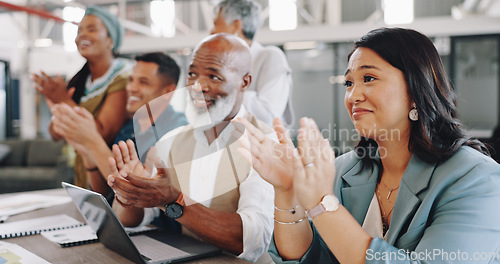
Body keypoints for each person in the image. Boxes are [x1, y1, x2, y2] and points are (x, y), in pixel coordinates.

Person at [235, 27, 500, 264]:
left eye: (369, 78)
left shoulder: (476, 179)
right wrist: (287, 190)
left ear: (416, 90)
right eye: (349, 83)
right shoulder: (344, 170)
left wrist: (321, 203)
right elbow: (310, 257)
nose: (352, 96)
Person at [106, 33, 275, 263]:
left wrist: (174, 201)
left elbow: (251, 240)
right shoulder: (173, 140)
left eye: (214, 76)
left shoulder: (265, 142)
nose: (198, 86)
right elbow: (134, 218)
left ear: (245, 81)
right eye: (192, 74)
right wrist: (131, 193)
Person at [51, 52, 187, 198]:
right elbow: (108, 192)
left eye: (143, 82)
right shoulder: (128, 127)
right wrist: (87, 154)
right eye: (131, 80)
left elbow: (138, 196)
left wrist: (93, 141)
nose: (131, 88)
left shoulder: (177, 133)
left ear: (167, 91)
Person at [33, 5, 132, 188]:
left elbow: (101, 132)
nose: (82, 35)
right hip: (83, 174)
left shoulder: (124, 78)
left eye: (92, 29)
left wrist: (63, 101)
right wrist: (57, 108)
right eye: (79, 30)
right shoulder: (80, 81)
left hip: (112, 178)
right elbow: (55, 134)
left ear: (111, 40)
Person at [211, 0, 294, 127]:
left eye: (216, 24)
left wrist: (223, 94)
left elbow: (268, 116)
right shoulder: (221, 64)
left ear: (236, 25)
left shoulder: (270, 57)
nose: (212, 32)